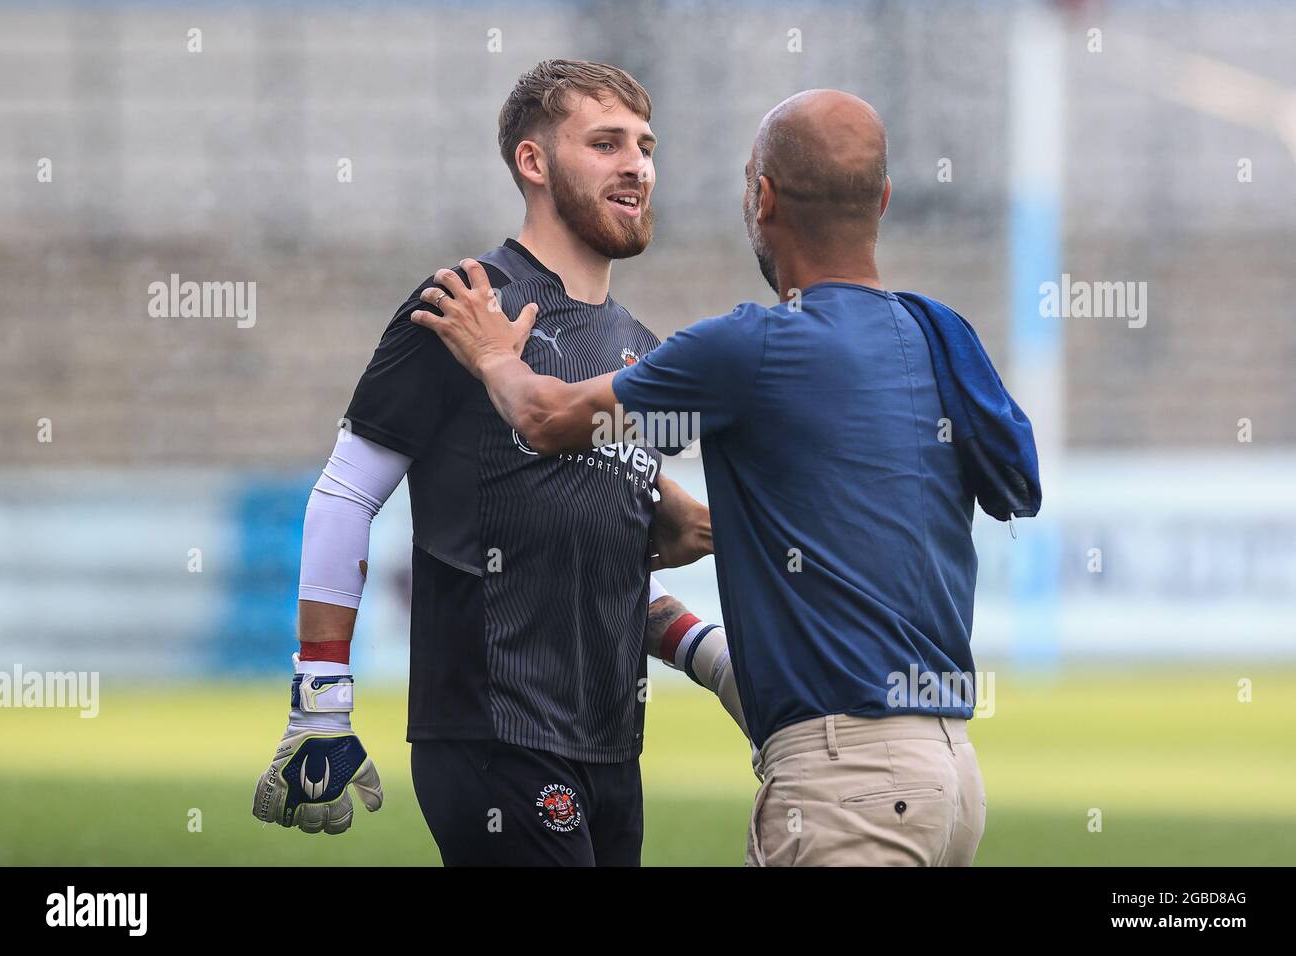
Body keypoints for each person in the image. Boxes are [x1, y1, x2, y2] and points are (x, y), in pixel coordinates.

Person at [411, 89, 1041, 866]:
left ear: (763, 199)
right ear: (881, 199)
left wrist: (493, 354)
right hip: (950, 779)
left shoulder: (749, 349)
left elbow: (545, 420)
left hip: (847, 785)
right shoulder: (939, 333)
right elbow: (1000, 489)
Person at [252, 59, 747, 867]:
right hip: (492, 732)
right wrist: (322, 701)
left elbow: (595, 553)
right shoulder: (465, 304)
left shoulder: (641, 351)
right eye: (606, 142)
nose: (637, 165)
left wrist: (706, 652)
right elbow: (345, 493)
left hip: (612, 743)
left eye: (646, 146)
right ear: (534, 162)